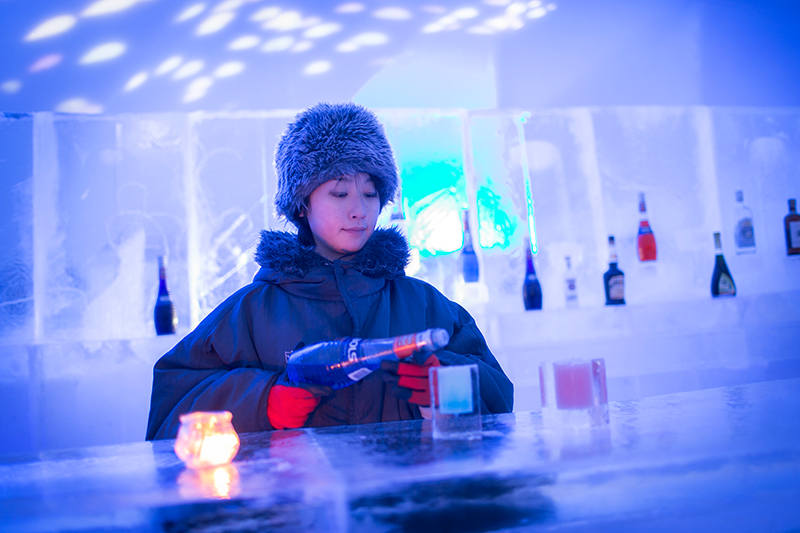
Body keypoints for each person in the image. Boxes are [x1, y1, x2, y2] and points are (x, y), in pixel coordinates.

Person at [145, 102, 513, 440]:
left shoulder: (425, 305)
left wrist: (449, 386)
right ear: (301, 204)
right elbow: (169, 411)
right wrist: (263, 402)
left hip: (406, 490)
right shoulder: (252, 311)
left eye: (370, 194)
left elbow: (501, 401)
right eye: (340, 193)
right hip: (298, 492)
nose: (359, 210)